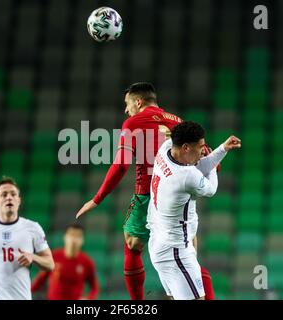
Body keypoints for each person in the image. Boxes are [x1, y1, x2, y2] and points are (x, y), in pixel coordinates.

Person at [75, 82, 213, 300]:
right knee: (188, 257)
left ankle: (138, 305)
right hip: (180, 198)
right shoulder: (178, 121)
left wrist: (97, 199)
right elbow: (208, 158)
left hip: (150, 192)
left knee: (133, 243)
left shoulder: (132, 123)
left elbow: (121, 166)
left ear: (138, 102)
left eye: (127, 104)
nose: (125, 109)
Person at [146, 121, 241, 300]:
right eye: (200, 147)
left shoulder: (165, 149)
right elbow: (211, 188)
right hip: (176, 251)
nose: (203, 151)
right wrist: (214, 156)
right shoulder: (185, 176)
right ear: (186, 148)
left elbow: (197, 165)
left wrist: (222, 149)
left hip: (160, 242)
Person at [31, 224, 99, 300]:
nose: (74, 239)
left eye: (78, 236)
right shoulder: (54, 257)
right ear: (65, 237)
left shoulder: (87, 262)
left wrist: (89, 298)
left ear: (82, 240)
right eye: (71, 235)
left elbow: (95, 288)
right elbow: (40, 280)